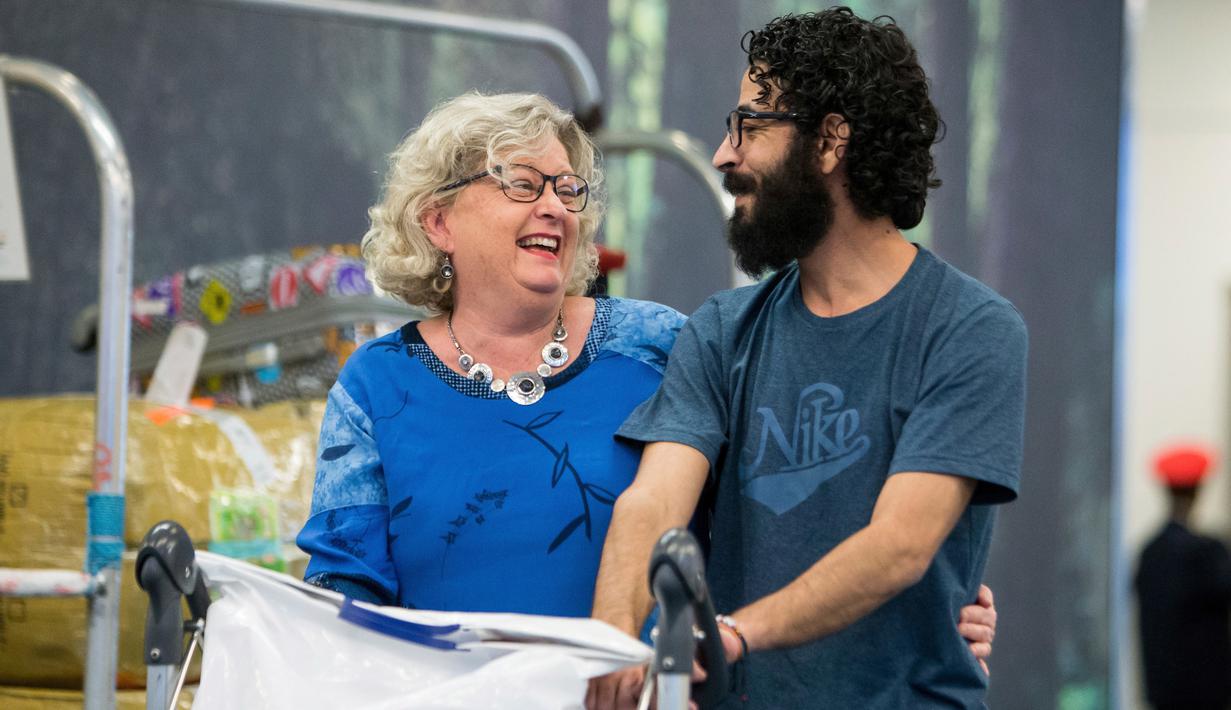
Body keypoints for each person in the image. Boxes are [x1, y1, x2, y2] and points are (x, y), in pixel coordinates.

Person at [294, 90, 995, 658]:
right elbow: (340, 599)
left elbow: (782, 508)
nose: (554, 206)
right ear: (437, 220)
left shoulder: (658, 342)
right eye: (520, 183)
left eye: (568, 189)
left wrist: (925, 604)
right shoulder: (375, 383)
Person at [588, 8, 1026, 710]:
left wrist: (730, 634)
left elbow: (900, 545)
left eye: (749, 126)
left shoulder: (968, 328)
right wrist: (609, 644)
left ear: (828, 141)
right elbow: (652, 503)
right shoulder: (723, 329)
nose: (723, 155)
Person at [1135, 445, 1231, 710]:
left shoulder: (1149, 553)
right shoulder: (1209, 553)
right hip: (1207, 696)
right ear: (1198, 492)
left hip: (1163, 695)